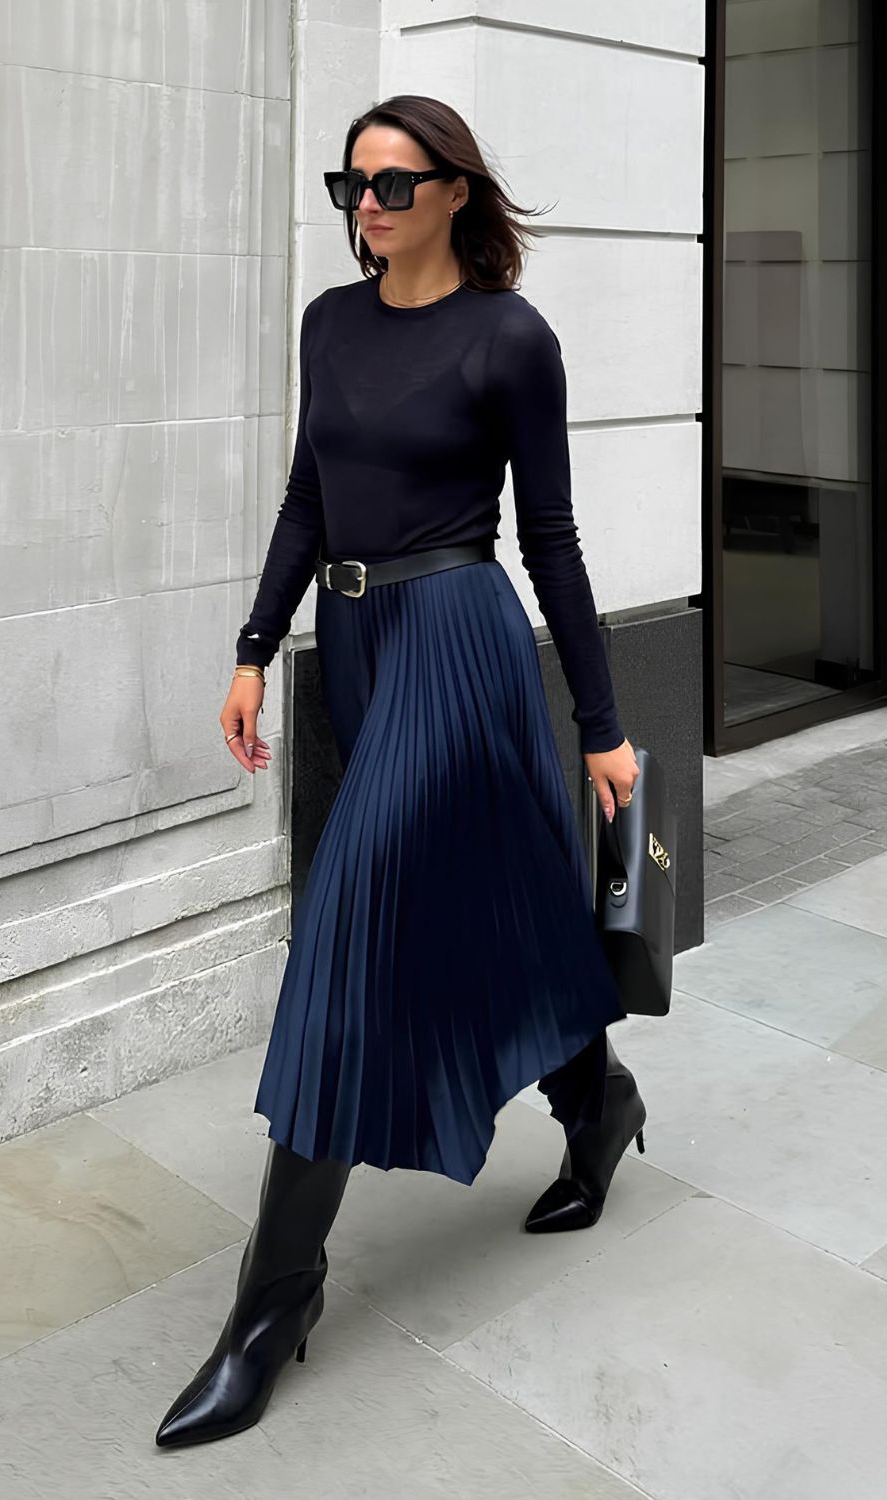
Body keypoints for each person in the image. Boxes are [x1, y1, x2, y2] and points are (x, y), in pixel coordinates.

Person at [155, 94, 645, 1451]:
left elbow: (550, 540)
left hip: (459, 642)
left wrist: (601, 725)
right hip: (355, 644)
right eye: (349, 185)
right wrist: (257, 649)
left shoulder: (508, 340)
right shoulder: (329, 322)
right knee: (494, 906)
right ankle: (599, 1102)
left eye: (389, 184)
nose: (364, 207)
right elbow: (308, 498)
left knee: (345, 939)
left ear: (454, 194)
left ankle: (270, 1306)